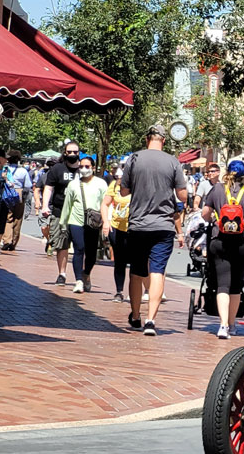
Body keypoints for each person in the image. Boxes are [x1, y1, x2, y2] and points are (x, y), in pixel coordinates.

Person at [120, 124, 188, 336]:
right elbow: (183, 195)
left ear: (146, 138)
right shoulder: (173, 162)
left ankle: (136, 315)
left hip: (138, 224)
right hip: (163, 225)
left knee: (137, 272)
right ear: (164, 141)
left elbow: (123, 191)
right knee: (157, 271)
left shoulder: (134, 159)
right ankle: (151, 320)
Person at [202, 160, 244, 339]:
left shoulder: (217, 189)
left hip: (219, 241)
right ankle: (232, 324)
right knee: (236, 286)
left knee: (222, 284)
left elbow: (205, 214)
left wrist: (215, 217)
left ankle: (222, 326)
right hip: (243, 242)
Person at [60, 156, 108, 294]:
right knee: (79, 248)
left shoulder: (101, 184)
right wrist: (63, 223)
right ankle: (78, 280)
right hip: (76, 221)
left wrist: (106, 221)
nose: (84, 169)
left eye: (87, 166)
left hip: (93, 223)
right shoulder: (73, 185)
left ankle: (86, 273)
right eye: (81, 166)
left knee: (92, 254)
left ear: (93, 168)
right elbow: (67, 205)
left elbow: (105, 204)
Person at [42, 142, 82, 284]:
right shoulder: (57, 169)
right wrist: (45, 206)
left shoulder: (84, 169)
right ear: (65, 153)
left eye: (75, 152)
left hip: (79, 214)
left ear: (79, 152)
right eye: (69, 152)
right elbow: (48, 188)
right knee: (62, 244)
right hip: (60, 212)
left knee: (80, 246)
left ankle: (81, 276)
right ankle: (62, 274)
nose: (72, 154)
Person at [102, 168, 131, 302]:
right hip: (117, 227)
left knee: (136, 262)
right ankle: (119, 291)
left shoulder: (138, 186)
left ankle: (135, 291)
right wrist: (106, 222)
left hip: (134, 228)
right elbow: (105, 204)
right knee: (119, 261)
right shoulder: (114, 185)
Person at [0, 151, 33, 252]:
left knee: (8, 217)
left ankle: (6, 240)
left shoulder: (5, 169)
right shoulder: (23, 171)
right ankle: (14, 242)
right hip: (19, 193)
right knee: (18, 218)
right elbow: (28, 185)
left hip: (7, 193)